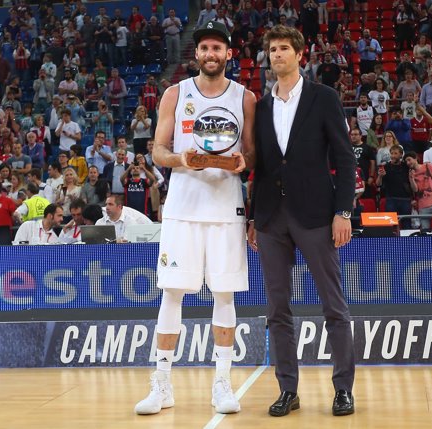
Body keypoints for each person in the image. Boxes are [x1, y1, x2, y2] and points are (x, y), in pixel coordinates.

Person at [134, 21, 256, 417]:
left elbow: (251, 154)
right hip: (183, 208)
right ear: (196, 53)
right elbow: (158, 150)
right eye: (204, 47)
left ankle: (222, 382)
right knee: (172, 292)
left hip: (225, 208)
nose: (209, 53)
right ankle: (162, 383)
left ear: (228, 54)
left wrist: (243, 162)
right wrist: (181, 159)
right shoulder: (175, 93)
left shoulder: (245, 97)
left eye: (217, 48)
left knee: (224, 293)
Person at [248, 25, 355, 417]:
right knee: (277, 309)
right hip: (270, 218)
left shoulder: (324, 98)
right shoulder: (260, 107)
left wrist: (343, 212)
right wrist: (252, 217)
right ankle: (287, 389)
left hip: (316, 215)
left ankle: (343, 388)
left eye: (283, 48)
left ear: (300, 54)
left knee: (333, 306)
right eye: (272, 49)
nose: (277, 54)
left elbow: (345, 159)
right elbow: (260, 168)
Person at [405, 151, 432, 230]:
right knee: (424, 232)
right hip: (422, 207)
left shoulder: (428, 166)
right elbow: (415, 190)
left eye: (409, 160)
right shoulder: (410, 174)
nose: (408, 163)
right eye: (406, 161)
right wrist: (411, 179)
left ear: (415, 158)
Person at [376, 145, 412, 228]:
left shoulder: (406, 166)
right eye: (391, 153)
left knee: (407, 224)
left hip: (405, 199)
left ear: (401, 155)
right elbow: (378, 184)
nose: (393, 156)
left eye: (395, 153)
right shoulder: (386, 167)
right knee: (390, 226)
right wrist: (380, 176)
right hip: (391, 199)